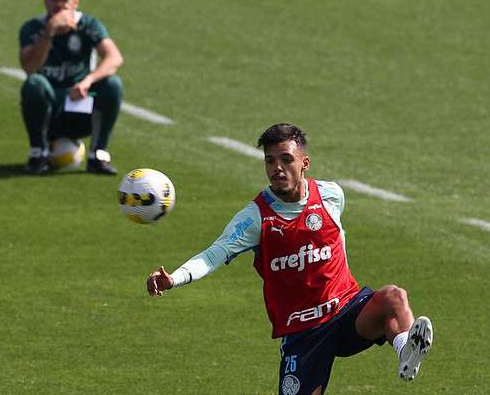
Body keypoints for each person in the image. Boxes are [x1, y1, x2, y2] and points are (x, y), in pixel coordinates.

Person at [146, 123, 433, 395]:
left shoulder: (331, 195)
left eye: (286, 159)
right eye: (270, 161)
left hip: (346, 312)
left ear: (304, 164)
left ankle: (406, 350)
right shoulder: (255, 218)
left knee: (393, 297)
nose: (277, 168)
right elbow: (213, 254)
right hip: (303, 332)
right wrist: (174, 278)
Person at [18, 0, 124, 175]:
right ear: (45, 1)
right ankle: (38, 153)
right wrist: (49, 32)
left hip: (80, 104)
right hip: (51, 107)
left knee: (112, 85)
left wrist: (87, 81)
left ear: (75, 2)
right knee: (34, 84)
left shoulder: (88, 25)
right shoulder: (33, 29)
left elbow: (114, 58)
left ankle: (98, 155)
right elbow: (30, 68)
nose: (58, 5)